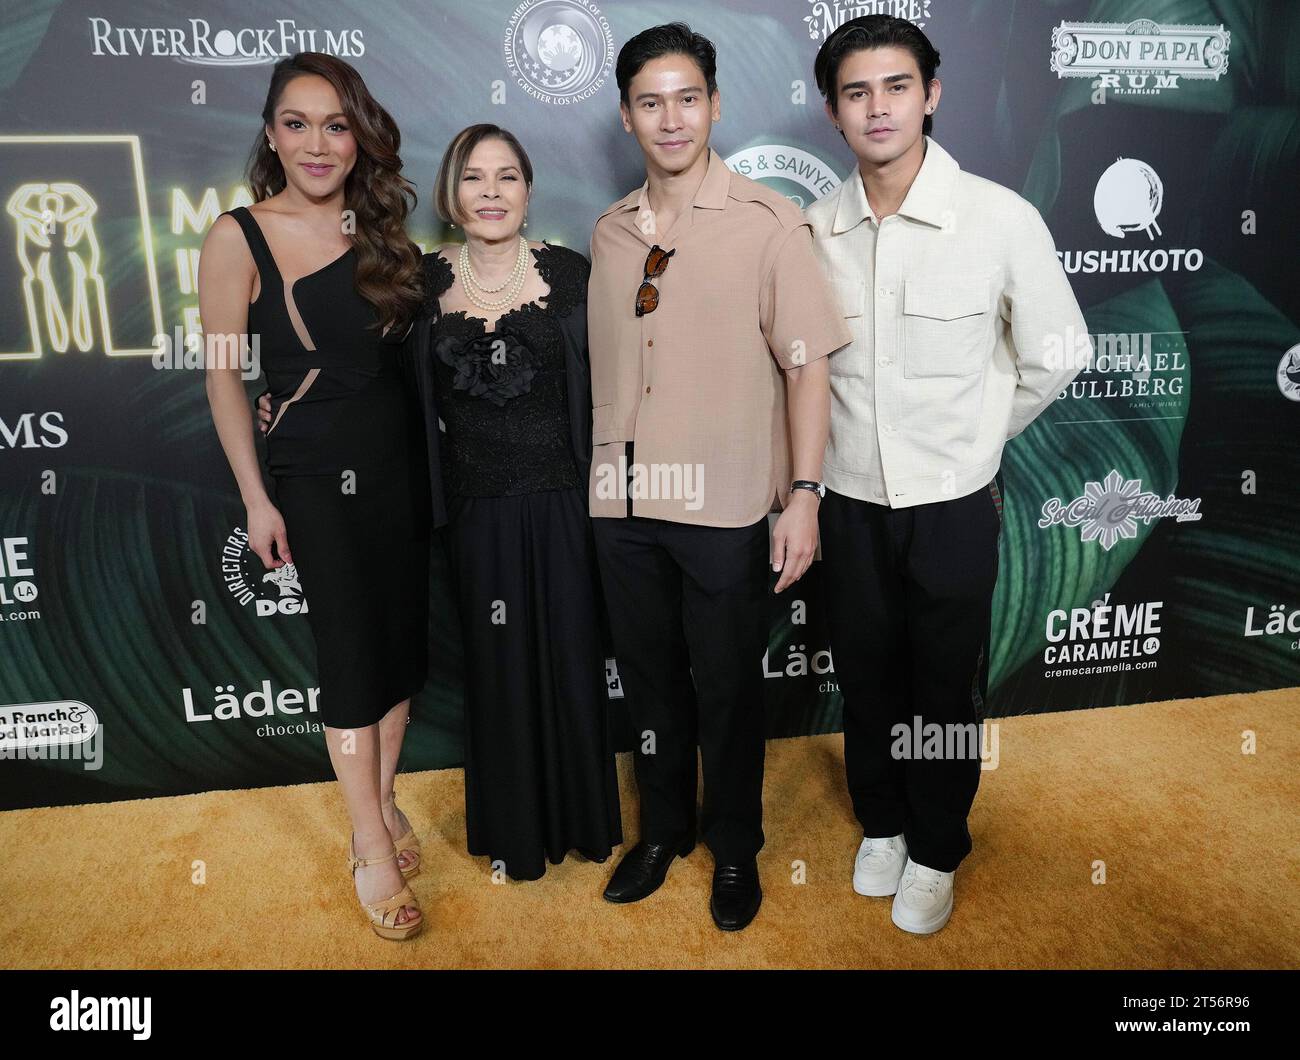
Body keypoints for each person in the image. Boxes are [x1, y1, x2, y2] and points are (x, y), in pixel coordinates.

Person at [260, 125, 622, 882]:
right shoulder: (420, 282)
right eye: (473, 178)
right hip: (471, 508)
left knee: (570, 660)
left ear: (528, 191)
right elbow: (363, 375)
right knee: (496, 669)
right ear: (453, 196)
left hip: (563, 502)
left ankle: (583, 820)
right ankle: (515, 832)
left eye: (507, 177)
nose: (491, 192)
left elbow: (619, 379)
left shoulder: (573, 273)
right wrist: (284, 402)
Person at [805, 15, 1091, 934]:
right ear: (832, 111)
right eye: (857, 92)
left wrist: (977, 439)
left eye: (896, 87)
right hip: (847, 497)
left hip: (954, 504)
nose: (877, 107)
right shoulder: (816, 227)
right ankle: (882, 823)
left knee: (942, 684)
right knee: (866, 673)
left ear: (931, 95)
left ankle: (935, 847)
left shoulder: (1001, 217)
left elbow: (1058, 352)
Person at [587, 23, 852, 931]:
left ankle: (736, 846)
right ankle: (663, 830)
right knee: (650, 684)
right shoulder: (610, 231)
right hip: (622, 507)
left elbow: (808, 366)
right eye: (651, 101)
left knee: (729, 687)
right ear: (627, 114)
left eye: (687, 98)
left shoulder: (770, 223)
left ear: (715, 105)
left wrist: (805, 496)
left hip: (729, 505)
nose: (671, 118)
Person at [202, 52, 430, 940]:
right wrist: (257, 500)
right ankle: (369, 842)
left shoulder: (378, 230)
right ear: (270, 134)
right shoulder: (239, 236)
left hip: (400, 469)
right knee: (349, 662)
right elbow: (225, 382)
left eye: (336, 124)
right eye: (296, 123)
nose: (318, 142)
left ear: (357, 134)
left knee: (401, 654)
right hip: (311, 478)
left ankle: (381, 804)